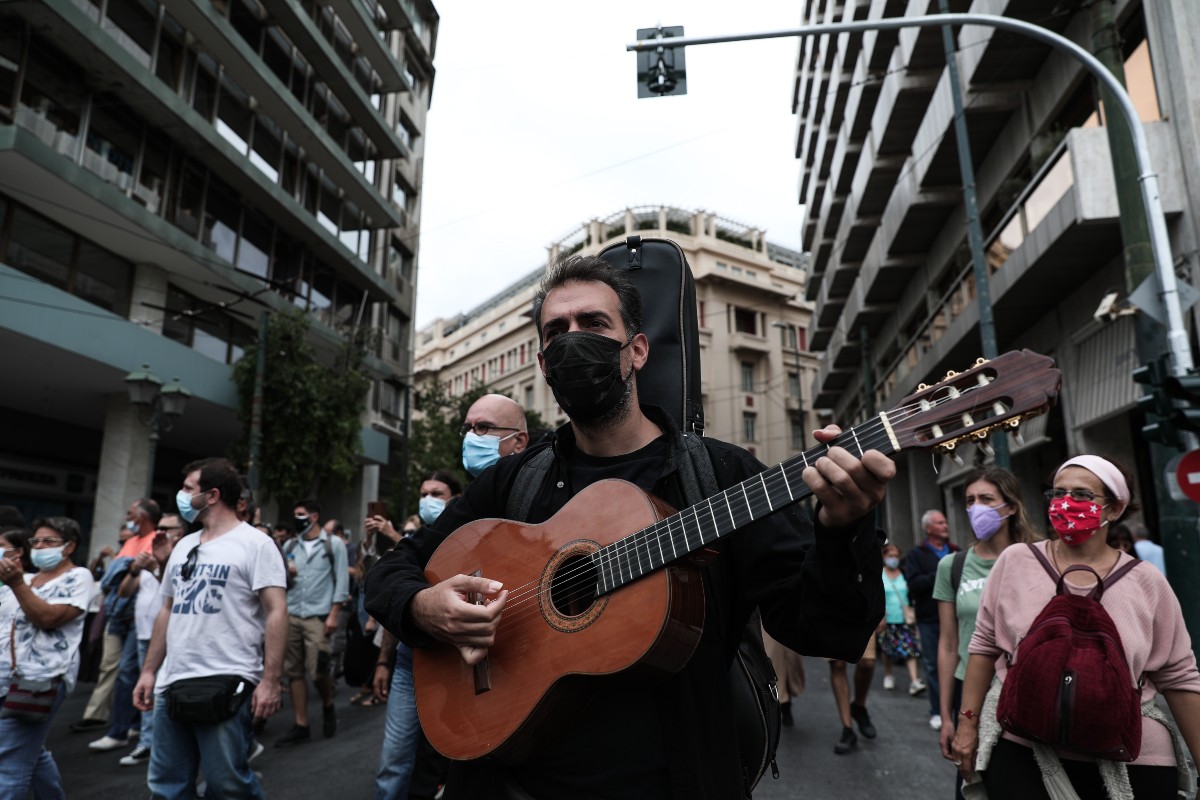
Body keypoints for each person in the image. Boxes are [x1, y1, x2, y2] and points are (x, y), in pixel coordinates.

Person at [364, 255, 893, 799]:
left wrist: (843, 530)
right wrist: (424, 608)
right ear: (544, 364)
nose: (574, 340)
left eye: (593, 324)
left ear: (636, 350)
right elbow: (393, 570)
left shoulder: (723, 477)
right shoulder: (512, 482)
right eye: (556, 331)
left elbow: (830, 630)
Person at [951, 455, 1200, 798]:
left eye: (1082, 495)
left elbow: (1179, 676)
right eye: (1057, 493)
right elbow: (983, 645)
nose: (1065, 503)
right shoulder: (1016, 561)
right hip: (1023, 749)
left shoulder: (1148, 583)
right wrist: (967, 723)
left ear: (1114, 509)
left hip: (1134, 759)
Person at [133, 457, 288, 799]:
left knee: (228, 784)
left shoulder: (256, 544)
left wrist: (271, 681)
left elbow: (277, 611)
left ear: (213, 494)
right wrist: (149, 672)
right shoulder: (184, 546)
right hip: (172, 681)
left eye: (189, 488)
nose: (181, 495)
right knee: (166, 786)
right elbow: (168, 610)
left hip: (228, 679)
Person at [933, 466, 1035, 799]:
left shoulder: (1038, 559)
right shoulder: (953, 565)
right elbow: (948, 645)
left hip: (1025, 691)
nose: (976, 507)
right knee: (973, 784)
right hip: (970, 694)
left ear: (1010, 506)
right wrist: (946, 715)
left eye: (987, 499)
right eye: (970, 500)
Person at [372, 470, 463, 800]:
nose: (428, 500)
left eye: (437, 494)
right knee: (392, 761)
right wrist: (384, 661)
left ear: (456, 499)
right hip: (408, 664)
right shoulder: (412, 546)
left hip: (454, 668)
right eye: (424, 493)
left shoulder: (470, 539)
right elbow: (396, 607)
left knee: (443, 758)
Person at [0, 517, 95, 797]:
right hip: (6, 677)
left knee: (9, 762)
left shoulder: (78, 577)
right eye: (36, 541)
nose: (39, 546)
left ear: (69, 547)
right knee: (31, 750)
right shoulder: (27, 578)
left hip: (38, 680)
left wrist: (17, 585)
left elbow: (48, 618)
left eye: (49, 541)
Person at [85, 498, 164, 749]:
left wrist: (133, 570)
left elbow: (144, 576)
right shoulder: (130, 541)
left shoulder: (158, 540)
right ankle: (127, 727)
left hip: (141, 618)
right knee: (123, 672)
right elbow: (121, 582)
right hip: (120, 613)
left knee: (133, 673)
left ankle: (128, 730)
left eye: (131, 512)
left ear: (143, 516)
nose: (127, 516)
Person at [113, 513, 187, 767]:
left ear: (182, 531)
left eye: (169, 529)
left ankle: (167, 746)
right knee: (146, 687)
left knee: (165, 690)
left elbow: (175, 593)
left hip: (173, 636)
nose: (162, 533)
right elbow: (124, 592)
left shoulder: (185, 557)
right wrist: (136, 569)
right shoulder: (148, 555)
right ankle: (148, 742)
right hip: (145, 632)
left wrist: (159, 567)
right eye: (160, 528)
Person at [275, 499, 349, 747]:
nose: (297, 519)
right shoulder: (290, 544)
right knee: (294, 671)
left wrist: (334, 614)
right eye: (295, 514)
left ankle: (328, 704)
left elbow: (341, 580)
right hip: (293, 613)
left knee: (319, 670)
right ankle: (301, 723)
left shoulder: (332, 544)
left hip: (318, 616)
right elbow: (282, 578)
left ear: (314, 517)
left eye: (301, 515)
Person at [905, 509, 958, 730]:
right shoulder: (916, 554)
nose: (945, 525)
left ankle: (958, 709)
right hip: (929, 618)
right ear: (928, 529)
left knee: (958, 665)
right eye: (939, 523)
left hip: (955, 618)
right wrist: (941, 574)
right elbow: (915, 584)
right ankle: (938, 710)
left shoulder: (957, 551)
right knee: (933, 665)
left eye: (945, 522)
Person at [878, 543, 924, 696]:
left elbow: (910, 595)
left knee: (909, 648)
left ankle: (914, 680)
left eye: (896, 556)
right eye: (890, 556)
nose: (894, 559)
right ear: (884, 557)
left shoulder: (904, 573)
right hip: (887, 618)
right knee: (887, 649)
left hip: (904, 618)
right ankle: (888, 673)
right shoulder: (880, 574)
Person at [460, 393, 530, 477]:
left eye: (482, 427)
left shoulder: (537, 487)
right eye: (467, 428)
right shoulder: (473, 489)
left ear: (519, 442)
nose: (470, 435)